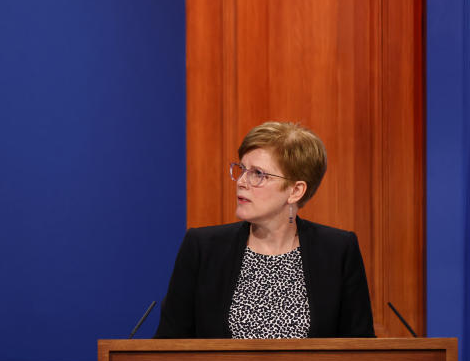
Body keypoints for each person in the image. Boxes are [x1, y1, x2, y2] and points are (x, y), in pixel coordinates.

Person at [154, 121, 375, 339]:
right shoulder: (203, 247)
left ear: (295, 191)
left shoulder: (337, 250)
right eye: (241, 170)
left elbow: (360, 352)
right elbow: (169, 346)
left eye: (258, 174)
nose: (241, 182)